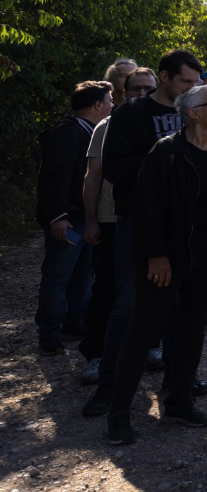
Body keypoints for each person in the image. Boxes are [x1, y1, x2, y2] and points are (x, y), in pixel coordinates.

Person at [106, 83, 207, 443]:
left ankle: (178, 400)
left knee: (193, 331)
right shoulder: (166, 153)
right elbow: (146, 210)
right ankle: (117, 414)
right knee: (142, 334)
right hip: (167, 260)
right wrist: (156, 255)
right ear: (193, 112)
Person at [86, 50, 203, 417]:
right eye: (185, 82)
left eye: (196, 83)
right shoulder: (130, 115)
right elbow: (116, 169)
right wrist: (167, 164)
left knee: (180, 308)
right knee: (127, 305)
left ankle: (177, 388)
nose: (191, 89)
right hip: (136, 223)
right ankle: (110, 387)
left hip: (186, 227)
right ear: (165, 77)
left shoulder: (193, 113)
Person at [81, 68, 158, 379]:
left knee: (152, 289)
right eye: (135, 89)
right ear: (123, 93)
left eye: (147, 89)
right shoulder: (107, 125)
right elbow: (93, 176)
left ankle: (150, 345)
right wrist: (90, 221)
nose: (141, 94)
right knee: (108, 289)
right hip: (113, 217)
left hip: (151, 218)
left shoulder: (166, 123)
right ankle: (97, 354)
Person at [34, 80, 111, 355]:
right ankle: (49, 334)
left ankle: (74, 324)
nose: (113, 105)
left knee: (82, 274)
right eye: (109, 100)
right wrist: (58, 217)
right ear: (97, 105)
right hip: (68, 221)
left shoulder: (88, 132)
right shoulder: (68, 134)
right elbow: (54, 179)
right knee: (58, 276)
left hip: (83, 218)